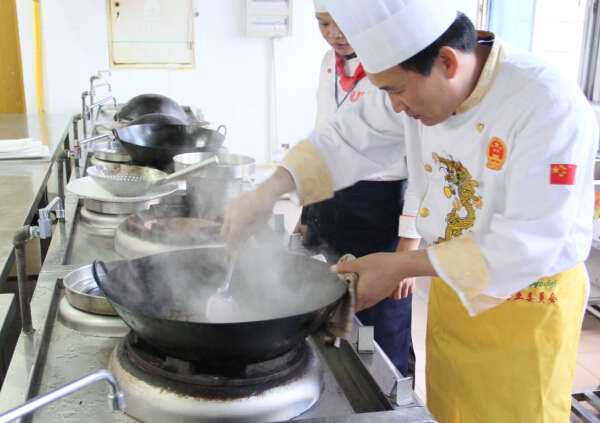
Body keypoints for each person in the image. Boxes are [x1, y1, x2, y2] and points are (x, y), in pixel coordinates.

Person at [221, 0, 598, 421]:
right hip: (455, 288)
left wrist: (401, 265)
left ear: (448, 62)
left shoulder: (547, 104)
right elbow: (346, 136)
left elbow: (528, 243)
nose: (396, 108)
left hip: (529, 303)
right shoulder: (411, 77)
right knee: (448, 409)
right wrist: (269, 191)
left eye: (397, 91)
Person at [292, 0, 415, 379]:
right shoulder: (328, 63)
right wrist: (307, 211)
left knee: (379, 315)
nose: (334, 34)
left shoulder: (399, 65)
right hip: (330, 200)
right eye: (322, 23)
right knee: (323, 300)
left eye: (342, 22)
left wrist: (408, 249)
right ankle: (332, 384)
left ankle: (390, 396)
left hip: (378, 208)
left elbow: (422, 163)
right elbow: (321, 136)